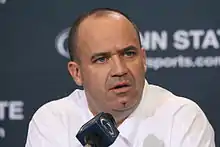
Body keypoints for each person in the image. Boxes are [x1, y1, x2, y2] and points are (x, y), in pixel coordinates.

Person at [25, 8, 216, 147]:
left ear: (143, 59)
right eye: (101, 59)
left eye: (129, 54)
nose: (119, 69)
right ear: (77, 73)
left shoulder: (181, 117)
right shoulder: (53, 121)